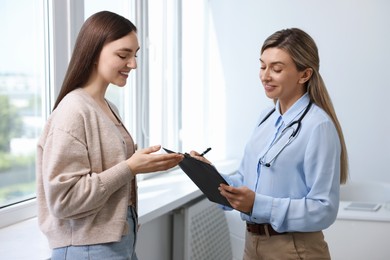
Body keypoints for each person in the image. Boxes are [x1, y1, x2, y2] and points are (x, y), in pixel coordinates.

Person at [36, 11, 183, 260]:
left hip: (116, 243)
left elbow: (115, 170)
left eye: (135, 55)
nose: (133, 64)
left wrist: (154, 164)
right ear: (94, 52)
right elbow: (64, 200)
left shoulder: (106, 106)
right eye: (123, 55)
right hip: (89, 249)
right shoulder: (74, 110)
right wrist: (129, 168)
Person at [191, 28, 348, 259]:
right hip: (253, 244)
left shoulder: (318, 126)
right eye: (262, 66)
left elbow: (323, 209)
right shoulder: (266, 118)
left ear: (304, 75)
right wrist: (207, 172)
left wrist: (258, 205)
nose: (265, 76)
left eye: (276, 69)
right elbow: (247, 182)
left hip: (294, 248)